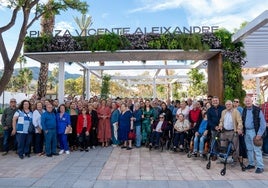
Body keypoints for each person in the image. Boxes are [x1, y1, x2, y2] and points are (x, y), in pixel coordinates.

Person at [242, 96, 266, 174]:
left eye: (249, 101)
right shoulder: (244, 110)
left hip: (255, 132)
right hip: (247, 132)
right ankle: (251, 164)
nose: (247, 102)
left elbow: (263, 123)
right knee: (249, 149)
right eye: (246, 101)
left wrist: (259, 134)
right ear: (244, 102)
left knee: (257, 150)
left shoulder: (257, 110)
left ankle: (260, 166)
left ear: (252, 101)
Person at [218, 100, 243, 164]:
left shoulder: (236, 112)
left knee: (234, 147)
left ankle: (235, 160)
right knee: (223, 146)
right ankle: (223, 159)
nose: (228, 106)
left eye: (229, 104)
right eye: (226, 104)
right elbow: (221, 120)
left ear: (232, 105)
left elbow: (240, 121)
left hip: (233, 131)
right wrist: (220, 125)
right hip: (224, 131)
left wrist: (239, 128)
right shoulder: (223, 112)